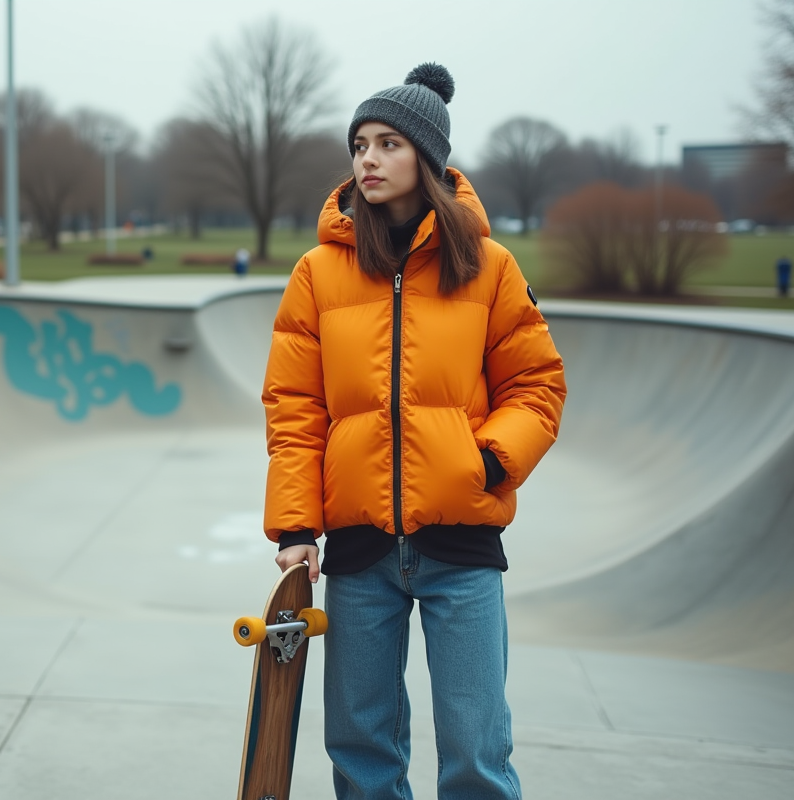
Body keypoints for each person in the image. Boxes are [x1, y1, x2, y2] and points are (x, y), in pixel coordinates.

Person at [262, 63, 566, 800]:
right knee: (360, 748)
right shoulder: (318, 272)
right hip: (359, 552)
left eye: (387, 144)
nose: (366, 159)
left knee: (476, 749)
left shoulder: (488, 266)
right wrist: (296, 527)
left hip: (461, 548)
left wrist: (485, 463)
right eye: (359, 145)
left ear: (426, 158)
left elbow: (537, 386)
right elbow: (294, 407)